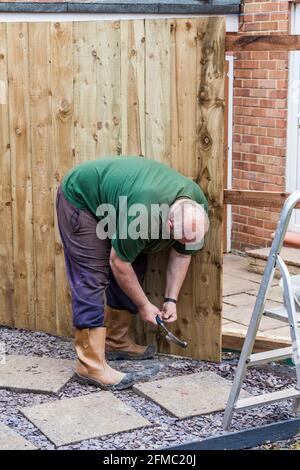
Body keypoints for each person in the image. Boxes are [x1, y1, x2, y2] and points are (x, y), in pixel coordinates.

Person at [56, 156, 209, 390]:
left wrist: (171, 299)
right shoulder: (144, 215)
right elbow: (118, 263)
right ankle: (89, 365)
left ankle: (116, 341)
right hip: (82, 198)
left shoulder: (196, 208)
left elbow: (182, 254)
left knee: (135, 265)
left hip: (121, 203)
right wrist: (145, 305)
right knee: (92, 276)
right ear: (169, 225)